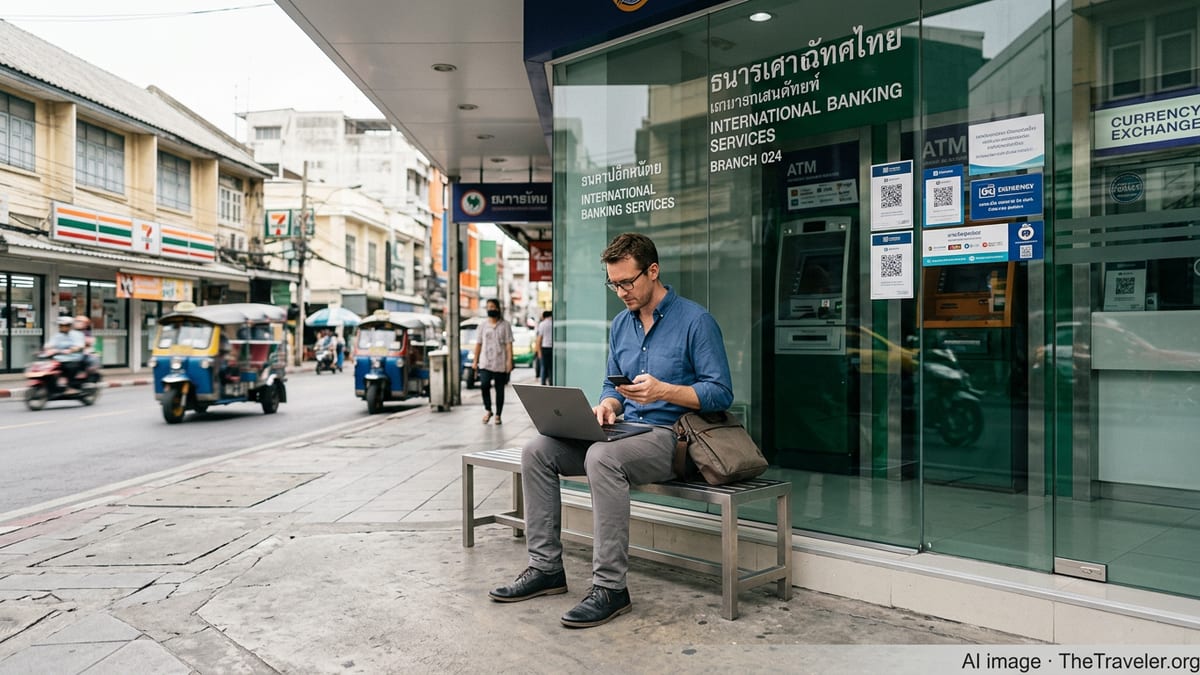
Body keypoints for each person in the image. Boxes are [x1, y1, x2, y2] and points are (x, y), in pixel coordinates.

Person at [489, 232, 733, 628]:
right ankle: (546, 569)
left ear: (653, 272)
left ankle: (611, 588)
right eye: (613, 283)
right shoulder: (622, 324)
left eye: (627, 282)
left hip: (674, 438)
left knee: (601, 457)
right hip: (624, 431)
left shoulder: (696, 321)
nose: (621, 292)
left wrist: (665, 391)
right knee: (537, 449)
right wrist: (607, 405)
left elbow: (721, 392)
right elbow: (611, 384)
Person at [472, 298, 513, 425]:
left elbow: (508, 345)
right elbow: (478, 344)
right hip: (485, 362)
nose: (491, 309)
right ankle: (488, 410)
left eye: (493, 306)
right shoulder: (482, 326)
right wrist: (475, 361)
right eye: (488, 307)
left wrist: (509, 361)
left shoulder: (505, 325)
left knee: (499, 389)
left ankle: (498, 414)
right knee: (484, 385)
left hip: (500, 362)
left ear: (498, 308)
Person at [43, 316, 87, 390]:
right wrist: (47, 348)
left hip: (73, 358)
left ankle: (71, 387)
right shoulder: (57, 335)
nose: (62, 327)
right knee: (48, 369)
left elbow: (79, 345)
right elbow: (50, 344)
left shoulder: (77, 334)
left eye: (65, 325)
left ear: (70, 326)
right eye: (61, 325)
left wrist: (71, 350)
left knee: (69, 367)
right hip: (59, 358)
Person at [534, 310, 553, 385]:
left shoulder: (542, 324)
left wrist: (538, 352)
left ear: (544, 316)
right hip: (553, 349)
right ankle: (552, 383)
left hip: (544, 348)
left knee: (544, 367)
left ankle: (543, 383)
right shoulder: (554, 323)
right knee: (551, 368)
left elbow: (539, 339)